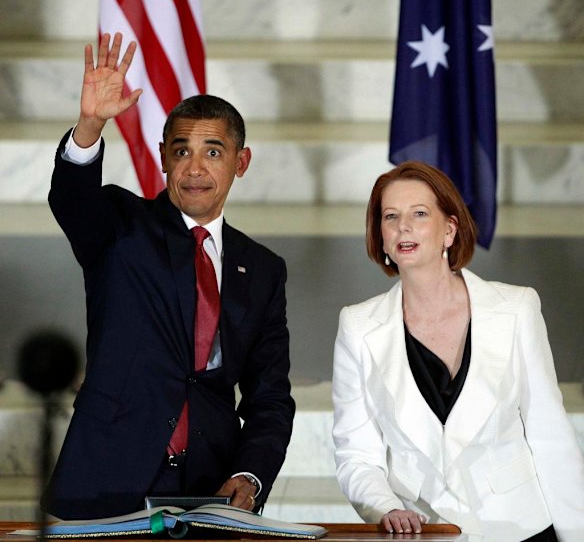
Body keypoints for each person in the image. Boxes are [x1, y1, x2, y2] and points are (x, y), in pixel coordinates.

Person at [45, 33, 295, 519]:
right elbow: (72, 201)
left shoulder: (263, 269)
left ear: (241, 162)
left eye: (213, 152)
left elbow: (269, 396)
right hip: (107, 482)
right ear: (162, 158)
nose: (195, 168)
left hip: (211, 488)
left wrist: (251, 474)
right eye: (181, 152)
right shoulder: (120, 227)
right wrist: (89, 127)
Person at [332, 162, 584, 541]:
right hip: (427, 530)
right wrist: (387, 508)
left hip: (521, 529)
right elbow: (357, 455)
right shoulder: (358, 325)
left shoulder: (517, 308)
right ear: (381, 237)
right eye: (390, 217)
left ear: (449, 229)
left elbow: (550, 434)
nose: (404, 227)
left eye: (419, 213)